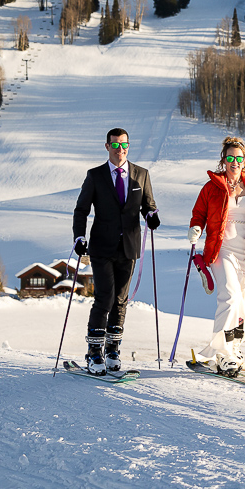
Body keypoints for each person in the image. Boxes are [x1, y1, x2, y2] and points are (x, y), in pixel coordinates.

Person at [189, 136, 245, 376]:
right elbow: (199, 212)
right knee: (229, 296)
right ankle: (223, 353)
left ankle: (234, 348)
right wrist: (196, 228)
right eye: (230, 158)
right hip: (221, 249)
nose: (234, 162)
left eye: (239, 158)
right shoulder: (212, 186)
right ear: (223, 160)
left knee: (241, 301)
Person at [72, 127, 159, 375]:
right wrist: (79, 236)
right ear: (107, 146)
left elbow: (148, 205)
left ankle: (112, 349)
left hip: (128, 247)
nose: (120, 149)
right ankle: (94, 353)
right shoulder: (96, 175)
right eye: (115, 145)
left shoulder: (141, 175)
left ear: (128, 146)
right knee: (105, 297)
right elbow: (81, 210)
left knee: (121, 300)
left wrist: (151, 216)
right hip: (101, 246)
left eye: (124, 145)